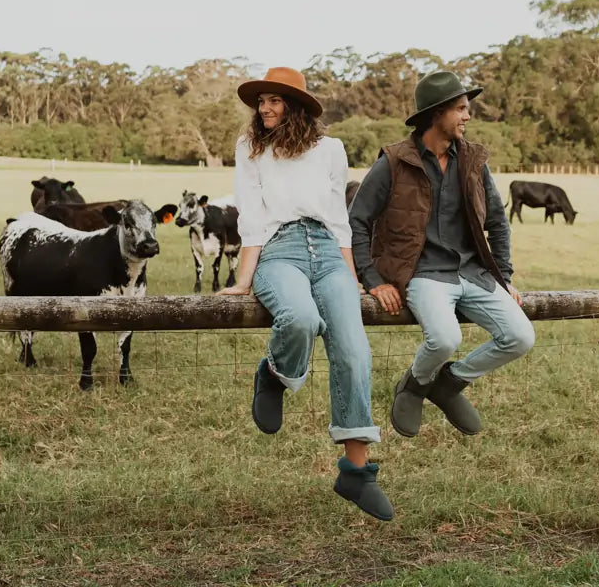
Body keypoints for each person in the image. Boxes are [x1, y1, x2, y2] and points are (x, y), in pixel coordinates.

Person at [219, 67, 393, 521]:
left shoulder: (330, 149)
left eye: (275, 101)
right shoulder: (251, 148)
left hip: (329, 254)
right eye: (261, 102)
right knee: (300, 319)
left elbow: (340, 217)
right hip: (281, 250)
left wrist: (352, 275)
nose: (265, 109)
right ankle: (275, 375)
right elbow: (251, 214)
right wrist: (243, 278)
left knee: (354, 350)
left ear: (296, 106)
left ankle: (356, 471)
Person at [348, 71, 535, 439]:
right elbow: (357, 221)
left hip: (472, 273)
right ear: (437, 114)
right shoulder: (394, 162)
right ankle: (414, 385)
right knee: (445, 338)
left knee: (521, 337)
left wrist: (504, 278)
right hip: (423, 274)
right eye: (461, 109)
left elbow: (498, 223)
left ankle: (449, 383)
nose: (468, 116)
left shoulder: (474, 161)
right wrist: (372, 280)